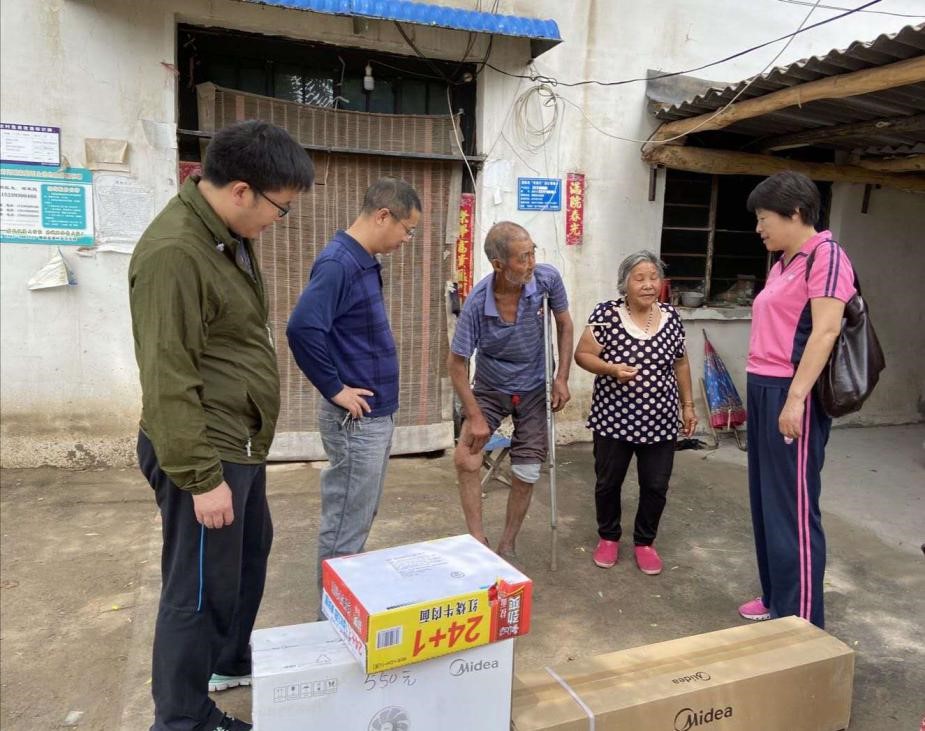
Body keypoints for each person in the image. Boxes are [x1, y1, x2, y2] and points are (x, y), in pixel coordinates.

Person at [129, 120, 315, 731]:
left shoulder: (223, 237)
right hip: (205, 449)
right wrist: (202, 479)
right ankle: (182, 718)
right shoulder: (176, 253)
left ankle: (229, 660)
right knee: (198, 587)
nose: (278, 221)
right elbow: (167, 378)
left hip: (239, 440)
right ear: (241, 191)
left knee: (248, 555)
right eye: (279, 209)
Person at [286, 178, 421, 609]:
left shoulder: (362, 261)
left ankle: (343, 613)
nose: (407, 239)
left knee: (358, 515)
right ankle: (331, 621)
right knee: (345, 522)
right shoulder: (338, 263)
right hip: (356, 421)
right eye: (407, 229)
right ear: (383, 216)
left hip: (374, 416)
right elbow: (302, 328)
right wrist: (335, 389)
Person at [738, 171, 855, 629]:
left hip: (792, 391)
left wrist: (795, 399)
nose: (759, 228)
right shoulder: (783, 262)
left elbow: (825, 331)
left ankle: (802, 623)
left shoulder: (826, 256)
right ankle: (776, 597)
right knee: (767, 502)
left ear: (796, 213)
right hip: (763, 386)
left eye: (764, 218)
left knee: (794, 509)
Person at [449, 221, 573, 558]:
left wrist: (562, 377)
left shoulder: (546, 280)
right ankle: (478, 540)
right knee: (465, 458)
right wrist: (475, 417)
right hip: (491, 387)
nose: (531, 263)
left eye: (533, 253)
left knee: (527, 469)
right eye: (522, 257)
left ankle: (507, 542)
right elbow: (456, 364)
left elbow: (564, 324)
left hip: (535, 387)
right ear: (499, 264)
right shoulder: (478, 303)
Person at [574, 251, 697, 576]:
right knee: (608, 482)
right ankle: (608, 537)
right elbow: (583, 354)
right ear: (624, 283)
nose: (648, 285)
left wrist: (687, 405)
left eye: (653, 277)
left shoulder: (671, 316)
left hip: (660, 420)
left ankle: (645, 542)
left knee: (656, 485)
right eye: (639, 278)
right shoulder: (607, 314)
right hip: (613, 419)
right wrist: (611, 369)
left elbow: (681, 363)